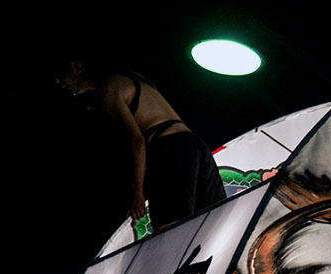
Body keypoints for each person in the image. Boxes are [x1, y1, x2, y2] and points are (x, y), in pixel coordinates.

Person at [56, 60, 225, 231]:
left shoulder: (107, 90)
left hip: (171, 148)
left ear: (76, 67)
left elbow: (137, 141)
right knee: (212, 221)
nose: (61, 84)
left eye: (60, 77)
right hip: (193, 143)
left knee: (168, 230)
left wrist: (137, 192)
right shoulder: (129, 77)